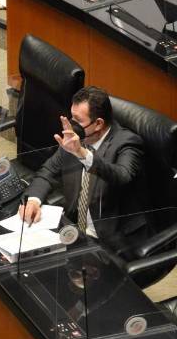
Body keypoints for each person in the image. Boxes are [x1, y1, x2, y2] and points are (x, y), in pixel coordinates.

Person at [18, 86, 148, 255]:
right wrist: (33, 200)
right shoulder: (74, 139)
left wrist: (82, 154)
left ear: (98, 123)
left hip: (113, 241)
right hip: (75, 231)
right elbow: (47, 171)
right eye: (72, 118)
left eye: (78, 121)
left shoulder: (127, 142)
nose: (72, 127)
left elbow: (121, 176)